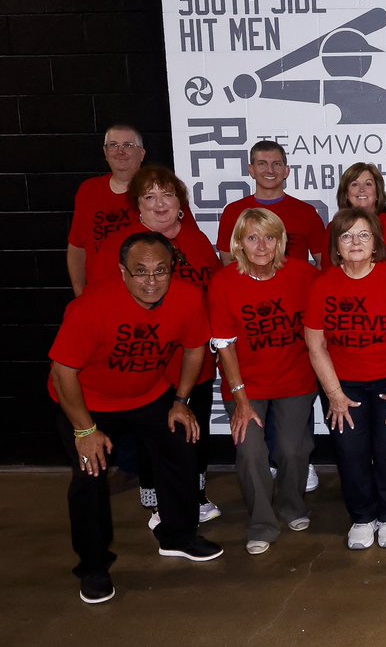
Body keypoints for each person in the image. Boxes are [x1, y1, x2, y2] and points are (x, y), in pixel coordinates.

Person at [50, 231, 223, 604]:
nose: (151, 281)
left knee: (181, 440)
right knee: (90, 472)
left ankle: (177, 535)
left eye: (160, 271)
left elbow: (195, 351)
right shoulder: (90, 308)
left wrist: (180, 400)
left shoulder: (188, 299)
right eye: (141, 272)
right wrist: (85, 430)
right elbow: (63, 373)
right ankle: (94, 567)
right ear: (122, 272)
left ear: (172, 269)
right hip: (88, 401)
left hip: (147, 394)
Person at [92, 165, 222, 525]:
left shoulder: (195, 239)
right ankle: (158, 501)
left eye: (167, 195)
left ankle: (196, 495)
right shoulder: (120, 246)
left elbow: (212, 292)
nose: (160, 203)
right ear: (138, 205)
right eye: (150, 197)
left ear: (180, 202)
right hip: (151, 360)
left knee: (197, 431)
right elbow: (102, 302)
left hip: (196, 357)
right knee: (158, 435)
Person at [304, 208, 386, 550]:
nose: (355, 242)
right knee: (350, 450)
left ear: (376, 244)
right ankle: (362, 517)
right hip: (343, 383)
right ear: (336, 247)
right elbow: (316, 346)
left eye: (363, 235)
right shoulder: (323, 284)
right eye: (346, 236)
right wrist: (334, 395)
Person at [209, 209, 319, 555]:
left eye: (269, 237)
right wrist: (241, 399)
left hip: (295, 379)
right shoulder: (223, 282)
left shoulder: (305, 275)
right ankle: (261, 522)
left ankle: (291, 506)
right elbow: (224, 345)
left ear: (280, 241)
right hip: (247, 385)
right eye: (252, 237)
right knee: (251, 451)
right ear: (239, 242)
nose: (261, 245)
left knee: (293, 449)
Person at [217, 140, 326, 267]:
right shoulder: (233, 212)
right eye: (262, 164)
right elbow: (228, 263)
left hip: (295, 286)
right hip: (249, 286)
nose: (270, 170)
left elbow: (323, 262)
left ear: (286, 171)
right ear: (251, 170)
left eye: (277, 164)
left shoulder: (306, 212)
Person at [67, 124, 145, 297]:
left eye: (128, 145)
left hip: (147, 298)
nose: (120, 151)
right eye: (113, 145)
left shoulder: (160, 191)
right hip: (100, 297)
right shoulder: (89, 191)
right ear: (105, 153)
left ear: (142, 154)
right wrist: (81, 294)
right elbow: (77, 248)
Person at [327, 162, 386, 279]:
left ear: (377, 193)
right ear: (346, 194)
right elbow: (330, 271)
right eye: (354, 184)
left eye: (368, 184)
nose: (362, 190)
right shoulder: (335, 228)